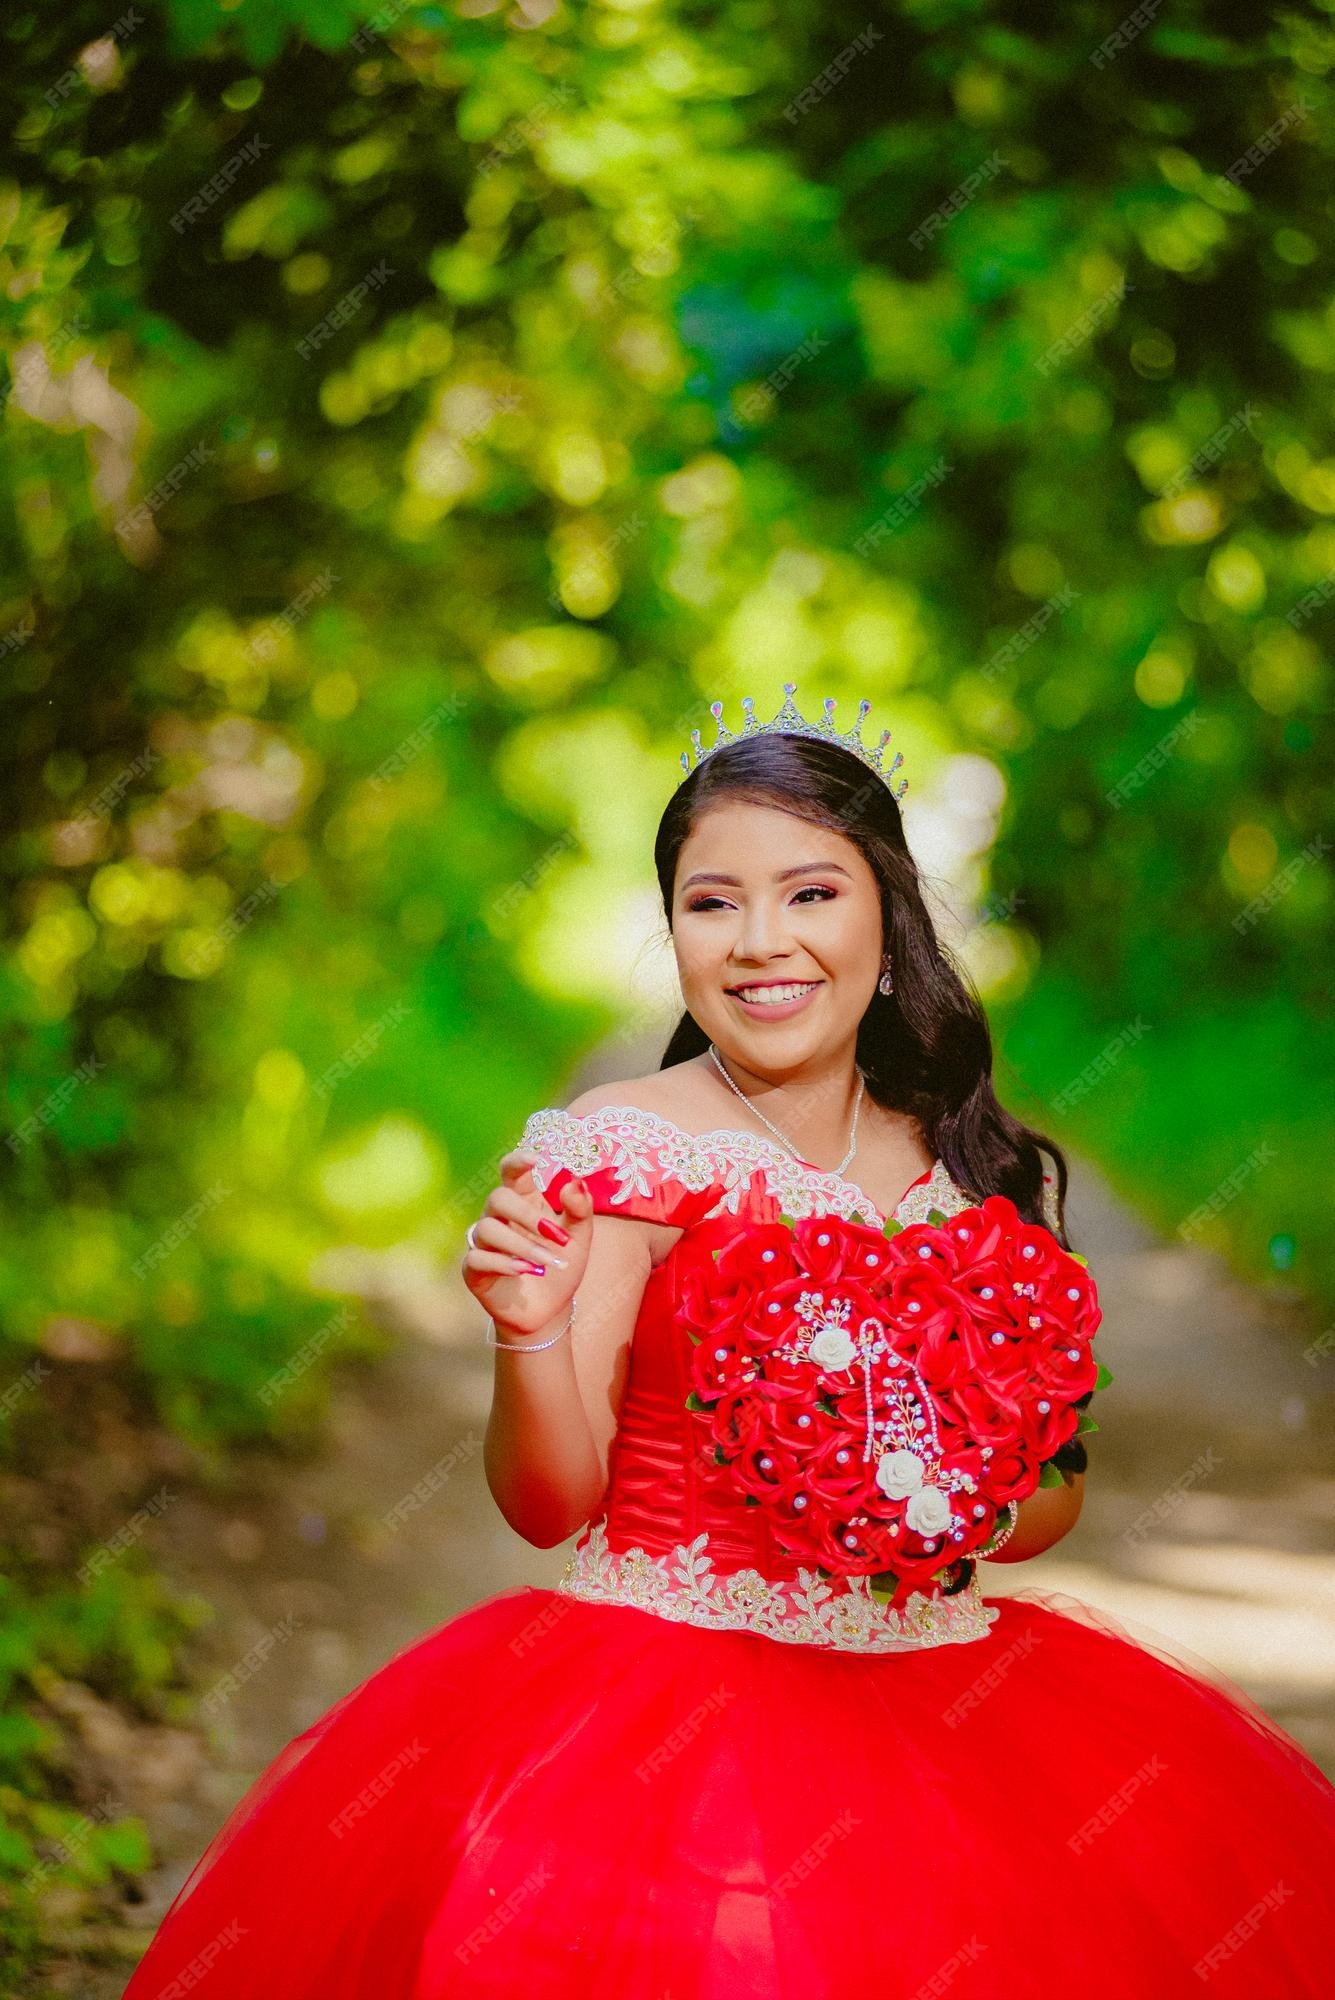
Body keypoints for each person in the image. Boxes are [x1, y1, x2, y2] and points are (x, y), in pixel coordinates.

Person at [121, 688, 1335, 1998]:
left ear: (887, 920)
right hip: (660, 1700)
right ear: (675, 929)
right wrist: (528, 1339)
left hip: (932, 1693)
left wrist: (922, 1499)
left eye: (811, 895)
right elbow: (548, 1502)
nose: (763, 942)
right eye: (713, 903)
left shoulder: (960, 1159)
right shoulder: (632, 1147)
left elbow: (1052, 1500)